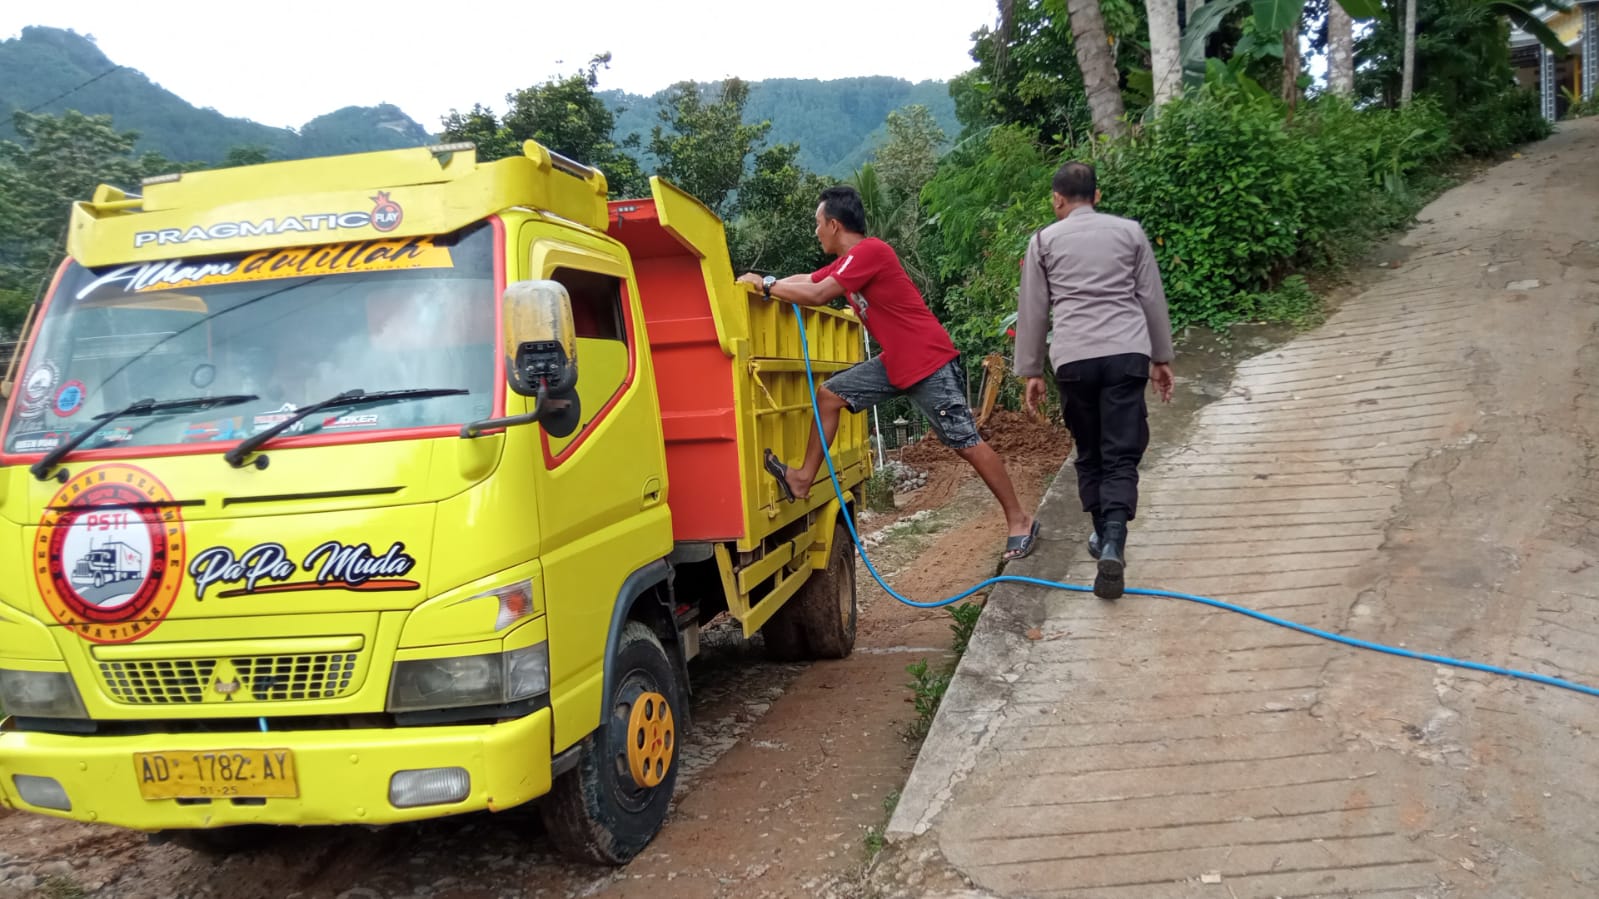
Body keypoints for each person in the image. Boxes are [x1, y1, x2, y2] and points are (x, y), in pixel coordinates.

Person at [739, 186, 1039, 563]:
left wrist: (766, 286)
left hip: (928, 362)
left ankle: (1020, 520)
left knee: (965, 442)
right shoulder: (848, 262)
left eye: (818, 224)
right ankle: (801, 478)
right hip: (896, 363)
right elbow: (811, 281)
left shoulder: (871, 252)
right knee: (829, 396)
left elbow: (818, 295)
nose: (816, 232)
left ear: (834, 224)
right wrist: (766, 282)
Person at [1014, 161, 1175, 600]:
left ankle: (1103, 534)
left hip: (1075, 361)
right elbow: (1150, 296)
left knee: (1090, 451)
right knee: (1121, 452)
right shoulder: (1131, 233)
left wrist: (1031, 371)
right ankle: (1114, 540)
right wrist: (1161, 359)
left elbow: (1034, 309)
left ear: (1057, 200)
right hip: (1127, 354)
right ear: (1097, 196)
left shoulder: (1044, 240)